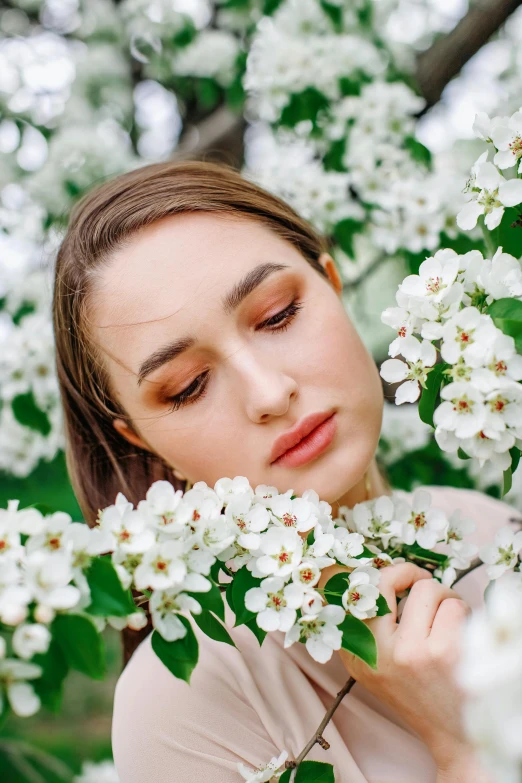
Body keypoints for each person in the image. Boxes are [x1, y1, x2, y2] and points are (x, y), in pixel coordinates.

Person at [52, 159, 513, 782]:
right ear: (140, 439)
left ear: (331, 282)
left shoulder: (490, 528)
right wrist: (464, 750)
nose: (268, 392)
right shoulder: (178, 713)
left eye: (277, 316)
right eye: (188, 387)